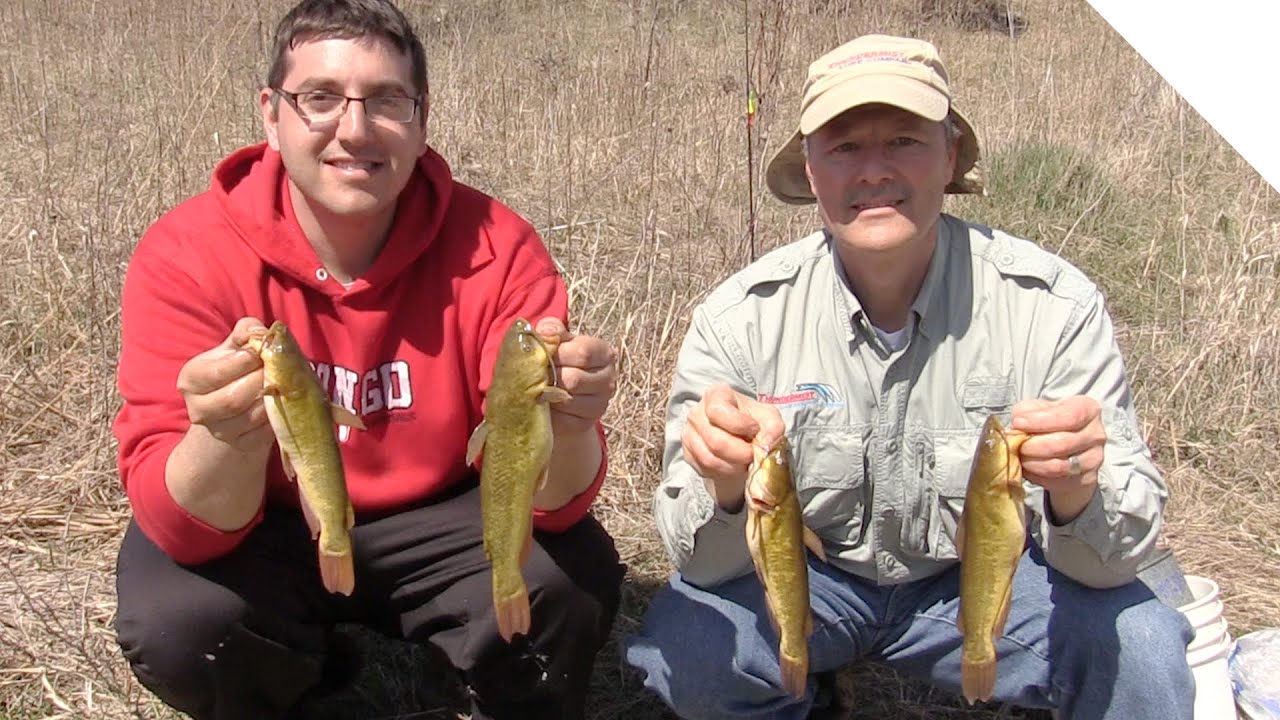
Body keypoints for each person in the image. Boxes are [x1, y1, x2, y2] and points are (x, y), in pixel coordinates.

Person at [624, 34, 1194, 720]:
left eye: (903, 140)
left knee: (1147, 654)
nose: (874, 171)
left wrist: (1076, 492)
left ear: (951, 155)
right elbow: (703, 566)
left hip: (992, 584)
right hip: (812, 582)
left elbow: (1112, 562)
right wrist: (721, 488)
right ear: (809, 170)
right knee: (688, 650)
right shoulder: (738, 320)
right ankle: (803, 687)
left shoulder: (1051, 307)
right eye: (842, 146)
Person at [110, 1, 624, 718]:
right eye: (319, 97)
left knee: (569, 584)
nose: (354, 129)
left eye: (387, 100)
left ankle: (483, 680)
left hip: (447, 509)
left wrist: (570, 422)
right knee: (181, 625)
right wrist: (223, 435)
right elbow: (182, 527)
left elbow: (557, 508)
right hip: (269, 518)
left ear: (422, 119)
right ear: (271, 113)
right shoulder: (185, 255)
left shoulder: (497, 247)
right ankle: (301, 680)